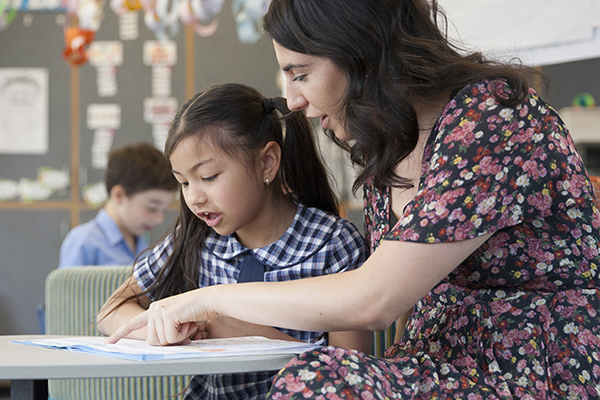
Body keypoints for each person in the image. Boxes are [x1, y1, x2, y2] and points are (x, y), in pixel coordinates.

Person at [107, 0, 600, 398]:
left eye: (300, 74)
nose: (292, 100)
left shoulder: (493, 121)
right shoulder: (392, 144)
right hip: (433, 368)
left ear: (361, 53)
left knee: (315, 379)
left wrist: (203, 301)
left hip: (535, 372)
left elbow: (374, 300)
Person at [97, 83, 372, 399]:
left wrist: (253, 335)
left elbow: (349, 375)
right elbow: (111, 312)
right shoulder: (197, 237)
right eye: (183, 183)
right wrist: (165, 330)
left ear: (267, 162)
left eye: (209, 177)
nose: (194, 198)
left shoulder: (332, 244)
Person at [58, 141, 178, 269]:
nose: (160, 219)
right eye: (152, 208)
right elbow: (69, 289)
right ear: (119, 195)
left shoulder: (143, 246)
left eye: (163, 210)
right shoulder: (83, 241)